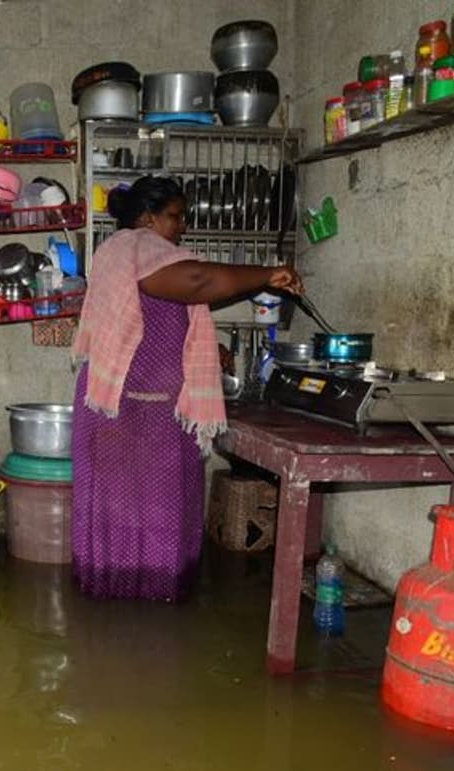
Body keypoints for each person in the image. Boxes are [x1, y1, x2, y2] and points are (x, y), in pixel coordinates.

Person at [71, 176, 304, 601]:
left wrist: (203, 348)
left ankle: (118, 613)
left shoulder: (129, 252)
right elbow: (196, 281)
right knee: (139, 512)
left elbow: (147, 318)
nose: (183, 227)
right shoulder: (136, 247)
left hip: (146, 411)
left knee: (148, 512)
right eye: (175, 217)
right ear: (147, 218)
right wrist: (268, 274)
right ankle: (140, 614)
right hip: (129, 413)